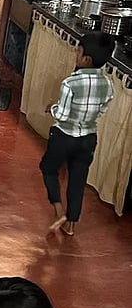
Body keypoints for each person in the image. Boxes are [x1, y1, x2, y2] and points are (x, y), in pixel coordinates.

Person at [40, 32, 114, 236]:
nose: (76, 53)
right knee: (78, 178)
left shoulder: (70, 83)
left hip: (64, 136)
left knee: (48, 169)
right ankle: (71, 223)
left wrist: (51, 108)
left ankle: (58, 210)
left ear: (86, 59)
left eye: (78, 51)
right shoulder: (108, 84)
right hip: (88, 137)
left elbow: (62, 116)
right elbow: (103, 109)